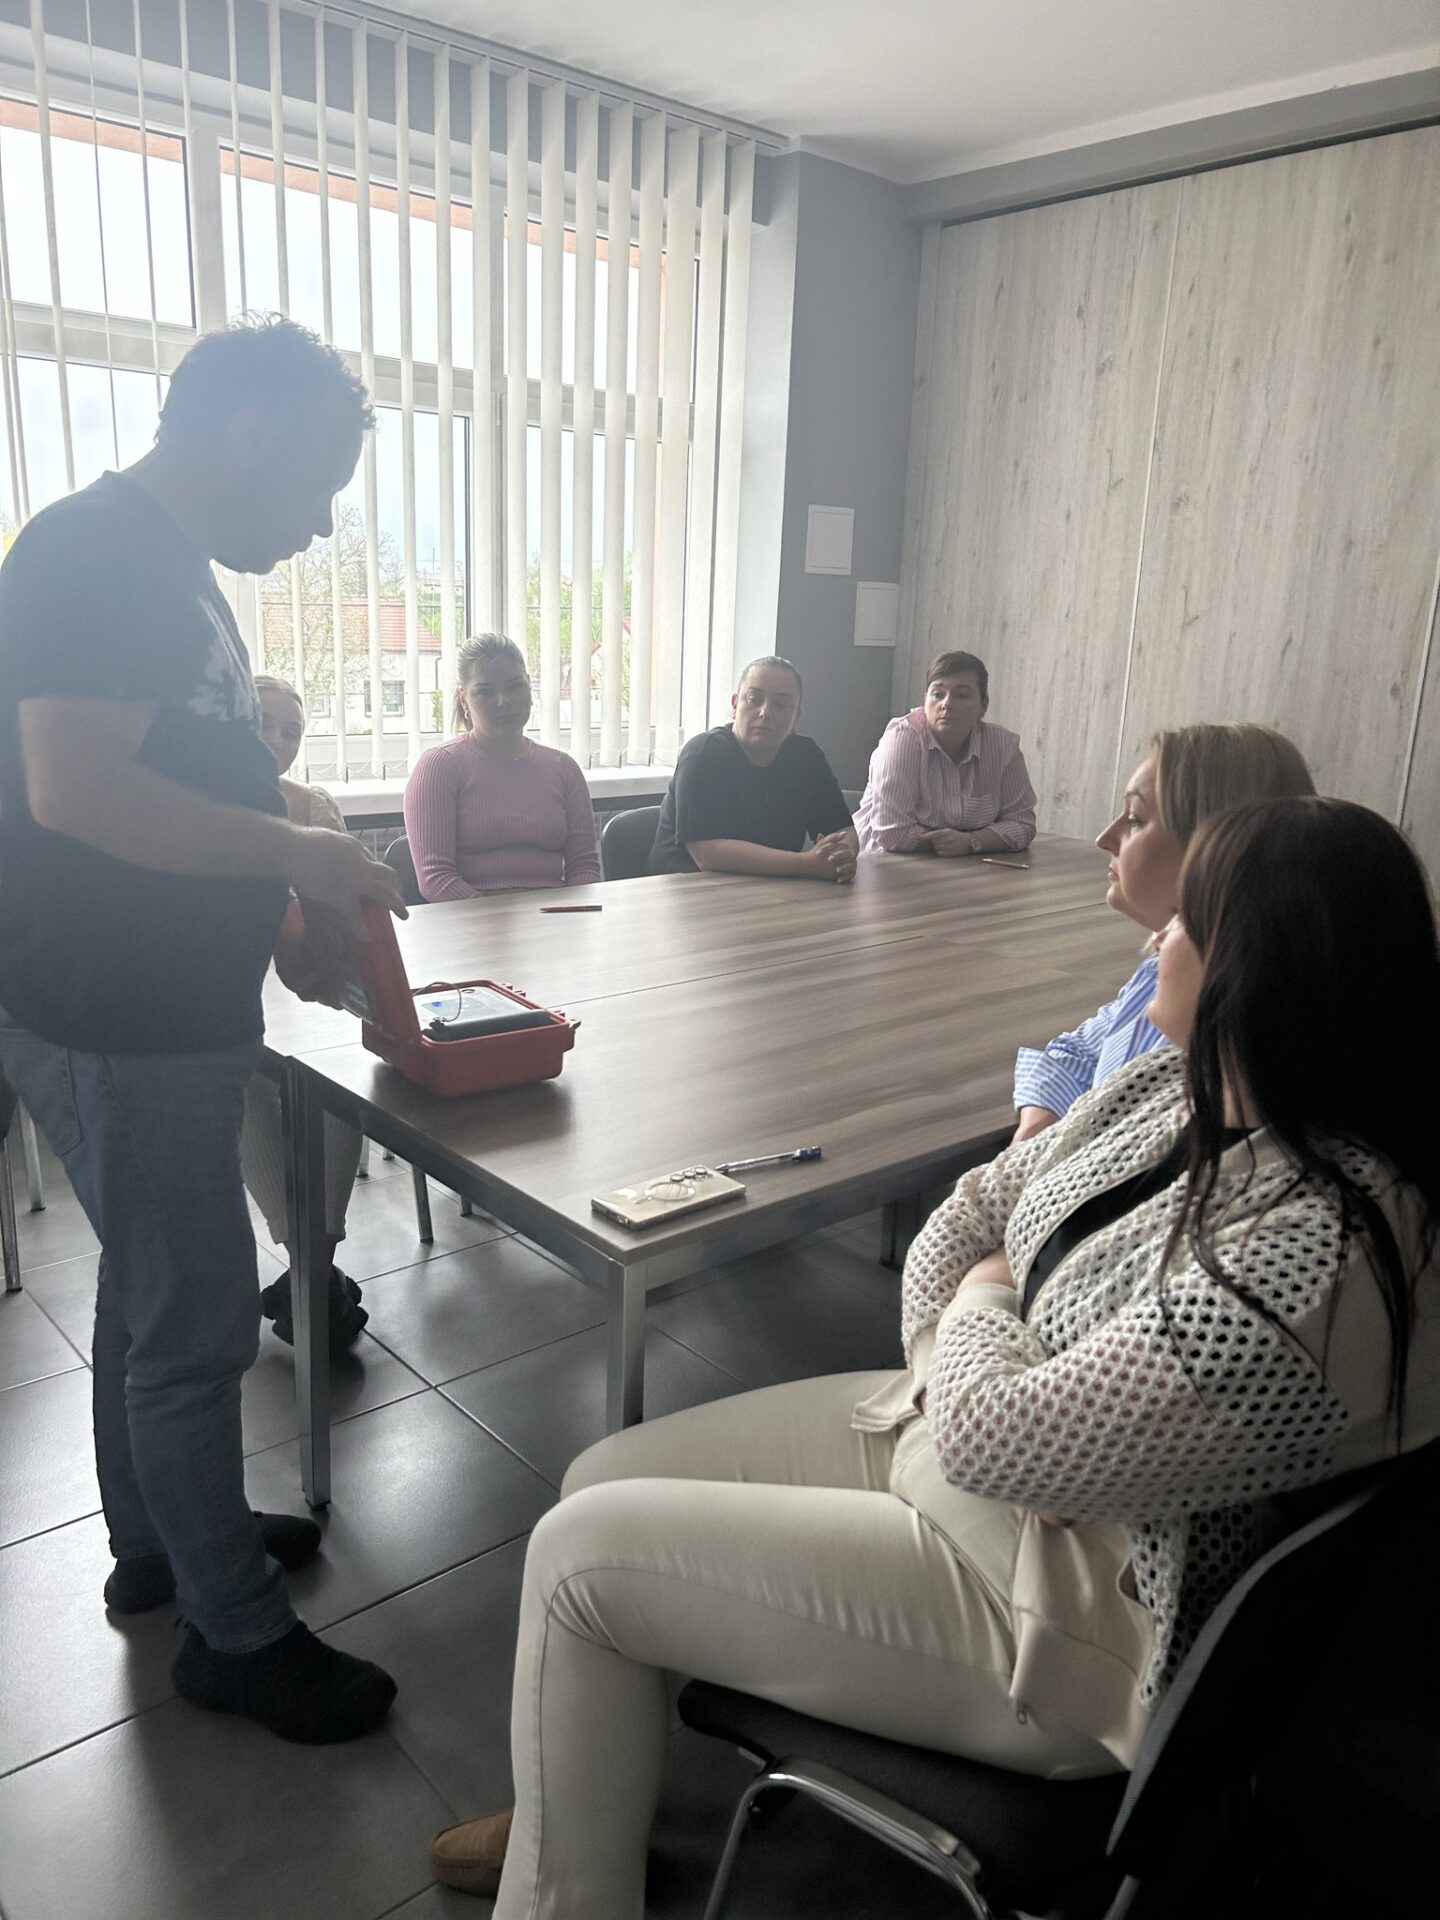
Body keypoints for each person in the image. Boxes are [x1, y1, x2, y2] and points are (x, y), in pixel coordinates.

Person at [430, 796, 1440, 1912]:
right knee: (597, 1477)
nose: (1159, 933)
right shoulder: (1178, 1083)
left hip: (1068, 1617)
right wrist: (985, 1355)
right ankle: (580, 1820)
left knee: (577, 1559)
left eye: (1188, 921)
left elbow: (1001, 1421)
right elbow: (970, 1215)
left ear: (1264, 969)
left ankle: (564, 1884)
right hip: (979, 1459)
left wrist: (991, 1329)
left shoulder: (1318, 1258)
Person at [0, 316, 405, 1743]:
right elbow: (76, 791)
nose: (321, 524)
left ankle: (162, 1548)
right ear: (251, 437)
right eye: (320, 487)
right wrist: (295, 857)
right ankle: (232, 1635)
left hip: (155, 1010)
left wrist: (293, 863)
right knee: (195, 1327)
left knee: (146, 1294)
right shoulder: (98, 553)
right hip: (119, 1020)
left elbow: (186, 765)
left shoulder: (164, 566)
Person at [1013, 723, 1315, 1142]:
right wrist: (1037, 1123)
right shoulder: (1159, 976)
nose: (1104, 838)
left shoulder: (1223, 1050)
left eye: (1135, 820)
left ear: (1212, 848)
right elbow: (1074, 1051)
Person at [241, 675, 368, 1349]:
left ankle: (308, 1276)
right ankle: (315, 1278)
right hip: (226, 992)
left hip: (304, 990)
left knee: (342, 1080)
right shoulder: (188, 811)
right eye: (262, 723)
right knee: (240, 1080)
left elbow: (344, 923)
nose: (276, 740)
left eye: (290, 730)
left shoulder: (313, 806)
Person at [403, 633, 602, 900]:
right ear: (464, 700)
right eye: (485, 691)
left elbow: (584, 867)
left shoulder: (563, 769)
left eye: (514, 686)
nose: (503, 701)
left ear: (529, 688)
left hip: (553, 915)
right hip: (471, 917)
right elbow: (436, 878)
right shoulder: (440, 767)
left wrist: (568, 915)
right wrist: (497, 918)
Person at [648, 656, 859, 881]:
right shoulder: (704, 753)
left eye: (780, 704)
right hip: (685, 888)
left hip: (770, 887)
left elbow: (843, 830)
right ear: (735, 705)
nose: (765, 712)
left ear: (796, 716)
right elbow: (708, 855)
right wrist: (806, 864)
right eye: (754, 699)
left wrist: (841, 856)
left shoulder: (805, 757)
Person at [855, 650, 1036, 857]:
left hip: (962, 865)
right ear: (925, 700)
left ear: (983, 706)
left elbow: (1023, 824)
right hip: (882, 862)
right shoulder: (902, 740)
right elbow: (892, 834)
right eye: (938, 694)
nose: (947, 704)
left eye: (962, 695)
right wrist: (951, 843)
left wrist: (971, 841)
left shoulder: (1002, 746)